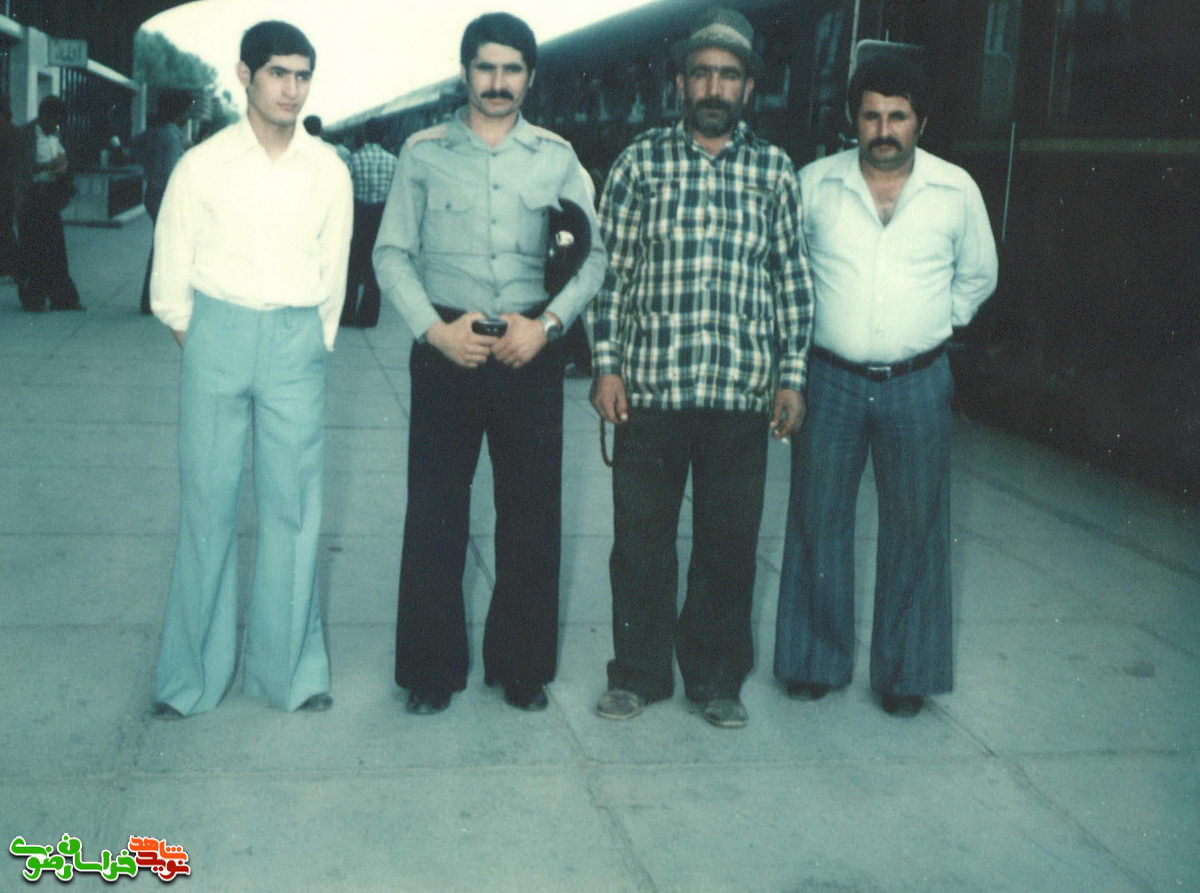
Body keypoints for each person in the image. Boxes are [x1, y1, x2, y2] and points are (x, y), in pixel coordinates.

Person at [374, 12, 606, 716]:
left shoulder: (558, 157)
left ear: (530, 77)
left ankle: (521, 668)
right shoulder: (423, 153)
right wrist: (434, 332)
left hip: (527, 350)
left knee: (530, 516)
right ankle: (430, 670)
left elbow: (594, 257)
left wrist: (549, 327)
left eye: (511, 69)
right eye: (486, 67)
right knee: (436, 512)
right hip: (449, 347)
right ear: (465, 72)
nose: (498, 82)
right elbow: (391, 253)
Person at [587, 8, 813, 729]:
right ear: (681, 83)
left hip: (740, 394)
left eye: (730, 75)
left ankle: (716, 680)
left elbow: (792, 281)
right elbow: (611, 275)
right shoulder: (640, 163)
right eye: (703, 73)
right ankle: (638, 674)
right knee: (641, 543)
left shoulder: (774, 171)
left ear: (749, 87)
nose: (715, 87)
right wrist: (606, 367)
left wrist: (791, 376)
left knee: (728, 546)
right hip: (651, 389)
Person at [773, 53, 998, 717]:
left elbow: (978, 274)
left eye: (898, 116)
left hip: (917, 382)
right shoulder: (814, 185)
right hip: (829, 378)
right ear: (853, 119)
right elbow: (787, 275)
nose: (884, 129)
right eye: (871, 115)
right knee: (818, 519)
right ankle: (814, 661)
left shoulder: (955, 190)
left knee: (916, 528)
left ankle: (905, 675)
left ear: (920, 121)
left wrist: (933, 325)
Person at [149, 20, 353, 718]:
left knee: (292, 511)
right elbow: (171, 271)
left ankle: (289, 675)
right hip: (215, 334)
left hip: (296, 339)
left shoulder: (327, 169)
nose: (292, 89)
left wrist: (308, 344)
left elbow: (334, 268)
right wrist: (207, 341)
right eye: (278, 73)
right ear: (245, 74)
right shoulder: (202, 164)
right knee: (206, 509)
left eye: (303, 76)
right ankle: (189, 681)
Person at [14, 95, 83, 312]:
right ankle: (33, 299)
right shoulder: (25, 135)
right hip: (31, 196)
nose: (56, 126)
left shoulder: (56, 135)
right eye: (54, 120)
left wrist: (62, 170)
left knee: (55, 249)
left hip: (50, 195)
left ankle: (62, 298)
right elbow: (20, 169)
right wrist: (46, 168)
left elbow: (64, 161)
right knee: (32, 250)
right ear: (44, 115)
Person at [133, 89, 192, 315]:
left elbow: (135, 148)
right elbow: (171, 174)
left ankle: (151, 298)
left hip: (153, 193)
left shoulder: (156, 133)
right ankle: (152, 299)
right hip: (166, 197)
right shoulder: (170, 136)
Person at [342, 117, 396, 327]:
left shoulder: (354, 159)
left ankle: (347, 314)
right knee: (375, 267)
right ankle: (368, 316)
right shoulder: (393, 161)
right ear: (383, 136)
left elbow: (344, 188)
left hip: (358, 215)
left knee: (353, 266)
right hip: (381, 216)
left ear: (364, 134)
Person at [0, 95, 18, 278]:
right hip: (9, 185)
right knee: (5, 226)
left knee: (4, 227)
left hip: (3, 185)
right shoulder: (13, 130)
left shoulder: (4, 130)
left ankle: (15, 266)